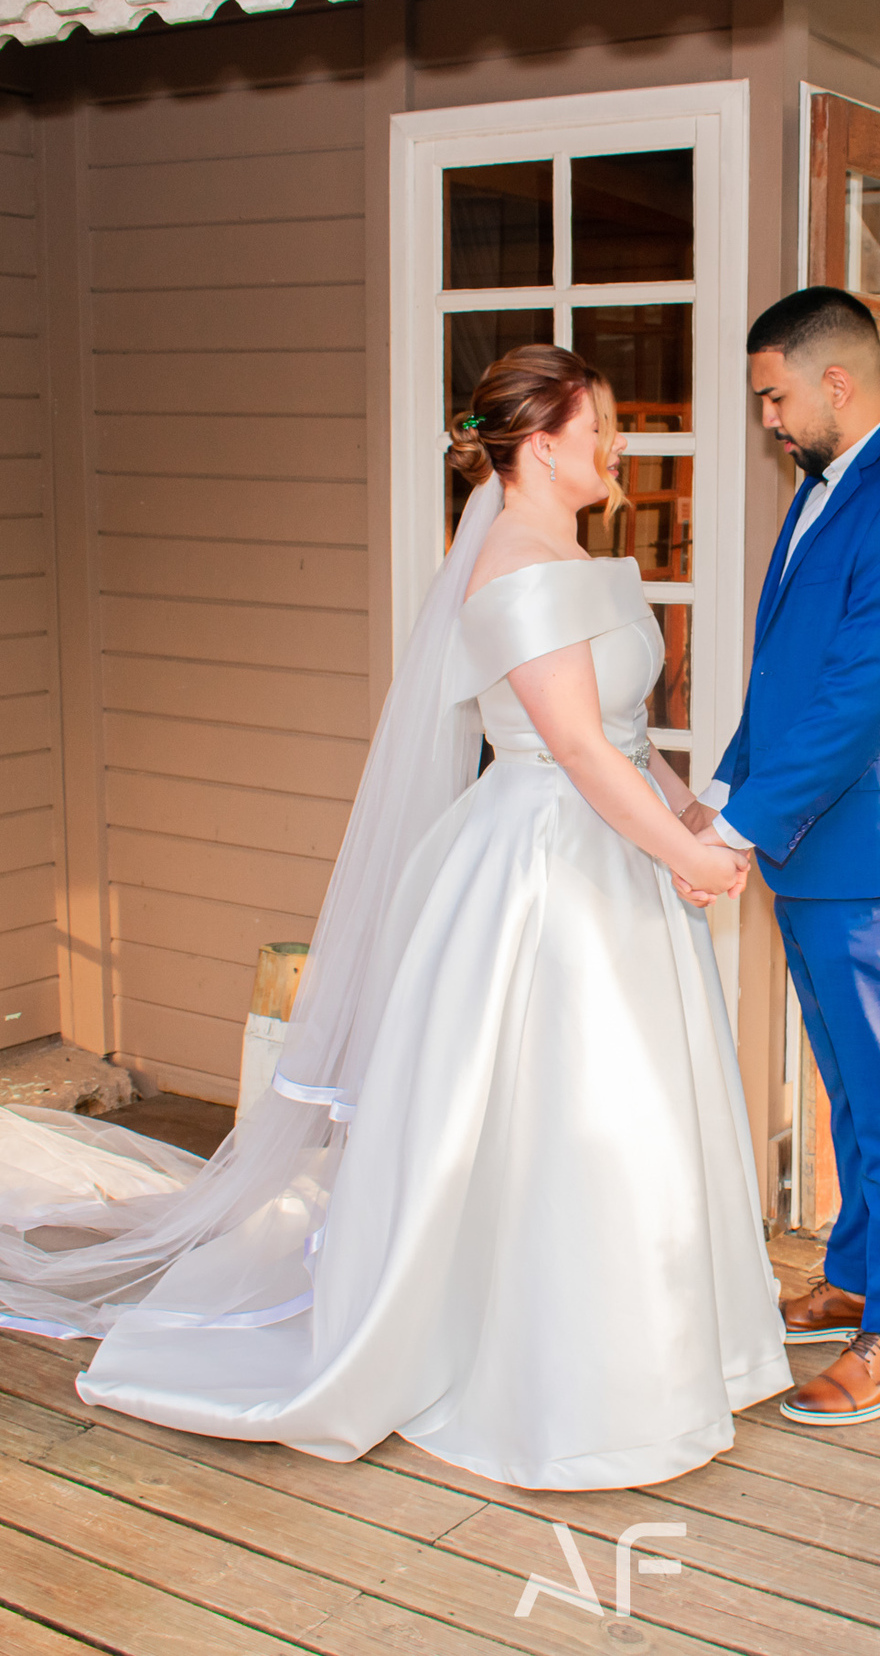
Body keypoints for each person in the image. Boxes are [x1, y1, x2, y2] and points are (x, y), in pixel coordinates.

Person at [0, 344, 791, 1488]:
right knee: (563, 1104)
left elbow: (625, 740)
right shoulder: (512, 569)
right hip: (548, 868)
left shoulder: (580, 557)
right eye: (601, 425)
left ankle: (663, 1351)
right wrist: (685, 857)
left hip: (613, 849)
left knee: (624, 1105)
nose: (618, 442)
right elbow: (574, 750)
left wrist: (692, 820)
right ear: (541, 445)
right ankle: (554, 1375)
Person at [680, 288, 880, 1427]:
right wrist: (721, 796)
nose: (767, 417)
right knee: (854, 1086)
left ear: (837, 384)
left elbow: (861, 695)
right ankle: (858, 1277)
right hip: (823, 845)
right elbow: (786, 676)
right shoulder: (830, 484)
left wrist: (741, 828)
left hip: (879, 848)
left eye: (775, 396)